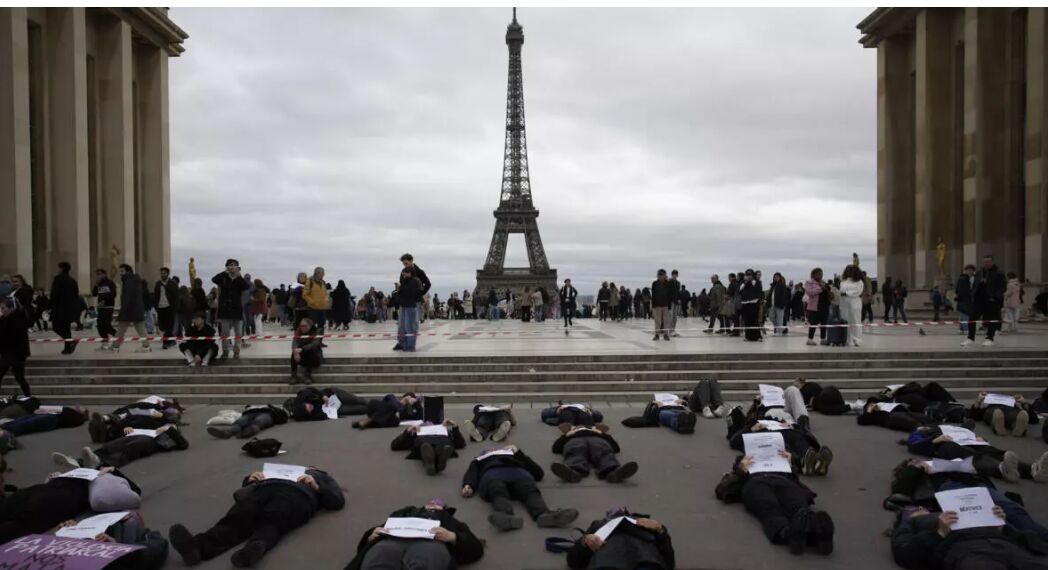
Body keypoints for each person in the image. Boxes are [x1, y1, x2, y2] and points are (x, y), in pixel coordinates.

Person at [168, 466, 345, 568]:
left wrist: (316, 485)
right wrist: (251, 479)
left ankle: (253, 548)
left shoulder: (323, 477)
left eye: (312, 467)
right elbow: (244, 489)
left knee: (273, 520)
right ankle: (197, 548)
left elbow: (337, 501)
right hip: (264, 488)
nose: (309, 466)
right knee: (238, 516)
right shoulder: (280, 469)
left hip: (298, 495)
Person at [717, 453, 835, 555]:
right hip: (756, 481)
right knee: (769, 506)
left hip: (783, 481)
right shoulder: (744, 460)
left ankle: (814, 531)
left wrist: (790, 463)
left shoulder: (781, 456)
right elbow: (724, 486)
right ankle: (787, 533)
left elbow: (794, 478)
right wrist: (741, 468)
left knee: (798, 507)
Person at [0, 467, 143, 544]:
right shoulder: (95, 482)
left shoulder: (101, 485)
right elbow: (135, 492)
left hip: (47, 494)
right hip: (54, 495)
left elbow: (135, 492)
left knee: (17, 516)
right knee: (21, 519)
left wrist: (111, 470)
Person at [890, 502, 1046, 570]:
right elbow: (904, 553)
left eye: (922, 506)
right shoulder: (912, 525)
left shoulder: (948, 511)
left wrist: (1001, 526)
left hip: (1003, 544)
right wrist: (939, 533)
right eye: (915, 509)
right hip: (968, 549)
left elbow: (1020, 538)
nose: (921, 508)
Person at [460, 444, 578, 532]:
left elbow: (538, 473)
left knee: (529, 490)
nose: (494, 450)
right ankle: (506, 517)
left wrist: (519, 453)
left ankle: (543, 515)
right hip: (493, 474)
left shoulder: (514, 456)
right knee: (497, 490)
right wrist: (469, 485)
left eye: (496, 449)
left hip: (518, 473)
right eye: (490, 450)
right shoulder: (480, 460)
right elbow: (472, 473)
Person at [344, 500, 485, 570]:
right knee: (379, 560)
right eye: (431, 503)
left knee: (422, 563)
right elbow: (381, 528)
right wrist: (372, 535)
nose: (433, 505)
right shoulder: (405, 512)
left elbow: (475, 547)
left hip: (431, 543)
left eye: (438, 504)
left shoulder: (448, 519)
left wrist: (453, 537)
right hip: (392, 541)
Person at [905, 425, 1048, 483]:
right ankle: (1000, 469)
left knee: (992, 451)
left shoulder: (947, 425)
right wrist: (936, 439)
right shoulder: (918, 433)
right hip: (944, 445)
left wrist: (980, 438)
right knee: (972, 457)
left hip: (967, 440)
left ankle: (1032, 470)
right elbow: (914, 446)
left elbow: (967, 430)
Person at [565, 508, 674, 570]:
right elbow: (573, 561)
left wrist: (661, 531)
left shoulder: (646, 524)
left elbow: (669, 562)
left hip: (643, 561)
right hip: (609, 562)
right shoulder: (598, 526)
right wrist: (585, 544)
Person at [53, 423, 188, 470]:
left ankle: (100, 463)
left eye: (169, 427)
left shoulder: (170, 437)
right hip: (139, 434)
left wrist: (169, 429)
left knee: (131, 448)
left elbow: (184, 444)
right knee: (112, 445)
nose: (165, 427)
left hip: (153, 442)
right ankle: (78, 461)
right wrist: (129, 428)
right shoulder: (152, 427)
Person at [550, 424, 638, 484]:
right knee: (576, 450)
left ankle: (613, 472)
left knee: (602, 451)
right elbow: (556, 448)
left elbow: (615, 448)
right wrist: (567, 435)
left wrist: (601, 433)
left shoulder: (596, 432)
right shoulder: (571, 434)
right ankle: (573, 472)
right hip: (575, 439)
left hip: (596, 438)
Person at [390, 419, 467, 475]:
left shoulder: (445, 431)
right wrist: (408, 431)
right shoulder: (416, 433)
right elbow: (395, 445)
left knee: (438, 446)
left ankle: (432, 462)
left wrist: (455, 426)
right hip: (425, 442)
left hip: (440, 441)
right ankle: (438, 461)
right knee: (427, 446)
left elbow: (461, 444)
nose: (429, 424)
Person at [211, 260, 249, 359]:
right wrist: (225, 272)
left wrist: (239, 275)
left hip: (237, 310)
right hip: (225, 310)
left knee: (238, 333)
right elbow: (214, 279)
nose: (232, 267)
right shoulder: (223, 277)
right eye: (230, 265)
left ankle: (237, 351)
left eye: (234, 265)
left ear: (237, 267)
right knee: (225, 333)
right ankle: (225, 351)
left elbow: (246, 286)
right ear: (227, 267)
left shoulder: (239, 279)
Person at [394, 254, 431, 352]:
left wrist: (419, 295)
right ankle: (401, 342)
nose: (404, 265)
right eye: (403, 263)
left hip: (414, 301)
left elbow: (428, 284)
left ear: (411, 261)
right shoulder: (403, 271)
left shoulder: (419, 272)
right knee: (402, 324)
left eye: (406, 263)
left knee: (411, 324)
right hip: (404, 301)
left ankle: (410, 345)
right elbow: (403, 284)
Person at [0, 298, 31, 396]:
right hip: (10, 353)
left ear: (11, 309)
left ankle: (28, 396)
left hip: (15, 353)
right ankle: (28, 395)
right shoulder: (4, 320)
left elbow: (11, 337)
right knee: (19, 377)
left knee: (18, 376)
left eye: (3, 308)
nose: (2, 311)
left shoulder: (18, 320)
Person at [621, 395, 697, 434]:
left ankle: (686, 423)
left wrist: (683, 402)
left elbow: (687, 404)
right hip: (664, 409)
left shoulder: (677, 401)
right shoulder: (657, 405)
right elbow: (646, 416)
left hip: (678, 408)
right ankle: (680, 425)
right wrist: (657, 405)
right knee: (670, 415)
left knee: (682, 414)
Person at [207, 404, 289, 439]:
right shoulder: (250, 407)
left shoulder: (272, 408)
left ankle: (248, 432)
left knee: (259, 421)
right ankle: (227, 432)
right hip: (250, 413)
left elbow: (283, 416)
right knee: (241, 421)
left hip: (267, 413)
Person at [49, 261, 80, 354]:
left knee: (56, 327)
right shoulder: (72, 280)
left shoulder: (58, 279)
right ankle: (67, 348)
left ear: (61, 269)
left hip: (59, 308)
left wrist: (50, 305)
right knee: (66, 328)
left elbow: (54, 294)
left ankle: (70, 341)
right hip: (69, 309)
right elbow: (76, 295)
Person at [0, 405, 86, 437]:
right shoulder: (73, 413)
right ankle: (5, 427)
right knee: (26, 420)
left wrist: (42, 409)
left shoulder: (77, 416)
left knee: (28, 423)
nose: (78, 406)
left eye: (81, 408)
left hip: (53, 419)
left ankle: (7, 431)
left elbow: (58, 409)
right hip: (52, 417)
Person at [352, 393, 423, 429]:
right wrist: (400, 403)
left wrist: (411, 404)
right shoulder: (392, 398)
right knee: (392, 408)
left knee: (395, 421)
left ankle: (366, 422)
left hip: (384, 418)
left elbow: (419, 416)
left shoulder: (408, 410)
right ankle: (369, 420)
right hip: (373, 407)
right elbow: (385, 402)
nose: (406, 401)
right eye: (405, 399)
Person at [290, 318, 323, 383]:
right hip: (302, 356)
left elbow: (314, 344)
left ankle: (307, 375)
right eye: (301, 326)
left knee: (310, 350)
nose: (302, 328)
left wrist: (302, 349)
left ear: (310, 326)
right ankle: (294, 376)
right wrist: (295, 351)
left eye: (304, 326)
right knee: (294, 352)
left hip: (315, 357)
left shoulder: (317, 331)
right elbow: (295, 342)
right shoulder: (298, 331)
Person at [839, 264, 865, 347]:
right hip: (844, 303)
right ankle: (848, 339)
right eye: (847, 270)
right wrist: (844, 293)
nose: (849, 272)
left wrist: (846, 293)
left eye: (851, 270)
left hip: (855, 302)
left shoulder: (859, 282)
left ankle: (857, 339)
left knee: (856, 321)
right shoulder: (843, 281)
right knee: (846, 321)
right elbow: (841, 290)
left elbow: (858, 292)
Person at [804, 268, 831, 346]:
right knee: (813, 323)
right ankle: (810, 339)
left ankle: (823, 339)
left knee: (824, 323)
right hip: (814, 306)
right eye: (818, 274)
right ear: (814, 274)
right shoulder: (809, 282)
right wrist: (821, 289)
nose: (820, 275)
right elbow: (810, 292)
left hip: (825, 306)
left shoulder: (823, 282)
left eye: (821, 274)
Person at [153, 267, 179, 349]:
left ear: (168, 274)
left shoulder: (173, 284)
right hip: (160, 307)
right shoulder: (158, 284)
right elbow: (156, 296)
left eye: (164, 273)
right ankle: (172, 341)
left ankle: (165, 343)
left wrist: (175, 307)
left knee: (169, 326)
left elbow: (176, 297)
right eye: (161, 273)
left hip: (169, 307)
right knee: (163, 327)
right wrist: (155, 306)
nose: (162, 275)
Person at [92, 269, 118, 350]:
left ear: (105, 274)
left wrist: (104, 301)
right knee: (100, 325)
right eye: (97, 274)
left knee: (106, 324)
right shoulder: (99, 284)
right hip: (101, 308)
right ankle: (105, 343)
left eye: (100, 274)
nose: (98, 276)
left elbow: (113, 294)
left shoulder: (110, 283)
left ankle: (117, 335)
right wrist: (96, 285)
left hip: (108, 307)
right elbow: (94, 293)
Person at [302, 267, 329, 332]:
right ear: (317, 273)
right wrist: (312, 302)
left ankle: (319, 340)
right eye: (322, 273)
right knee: (312, 325)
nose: (323, 275)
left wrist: (326, 300)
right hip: (313, 307)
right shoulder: (310, 281)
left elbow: (325, 293)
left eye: (323, 273)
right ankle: (311, 340)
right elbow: (305, 294)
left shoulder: (323, 282)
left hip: (322, 307)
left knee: (321, 325)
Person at [739, 269, 763, 341]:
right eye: (747, 274)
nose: (748, 276)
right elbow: (739, 291)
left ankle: (757, 336)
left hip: (754, 303)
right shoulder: (743, 283)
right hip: (745, 303)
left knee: (754, 320)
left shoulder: (756, 282)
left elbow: (759, 290)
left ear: (753, 275)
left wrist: (751, 282)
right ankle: (748, 336)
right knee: (747, 320)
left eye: (750, 275)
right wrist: (746, 283)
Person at [650, 269, 674, 341]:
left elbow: (670, 294)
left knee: (666, 320)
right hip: (657, 305)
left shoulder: (668, 283)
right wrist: (653, 305)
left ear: (664, 275)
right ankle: (657, 334)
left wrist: (669, 305)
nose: (659, 276)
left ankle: (666, 334)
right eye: (658, 275)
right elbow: (653, 294)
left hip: (666, 305)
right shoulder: (654, 283)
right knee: (657, 320)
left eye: (661, 275)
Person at [540, 402, 604, 427]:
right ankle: (588, 427)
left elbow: (545, 416)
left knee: (568, 417)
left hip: (579, 411)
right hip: (578, 411)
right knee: (585, 417)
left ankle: (587, 427)